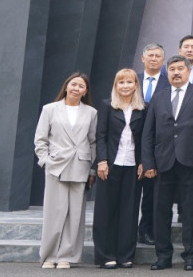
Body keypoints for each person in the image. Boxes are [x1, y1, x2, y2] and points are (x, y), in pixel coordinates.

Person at [141, 56, 193, 271]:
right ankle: (163, 256)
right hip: (162, 162)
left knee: (190, 212)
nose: (176, 72)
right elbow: (148, 133)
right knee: (161, 211)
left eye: (180, 68)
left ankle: (190, 256)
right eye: (172, 69)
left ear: (188, 71)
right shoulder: (159, 97)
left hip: (190, 162)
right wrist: (148, 163)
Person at [35, 71, 98, 269]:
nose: (76, 88)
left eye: (81, 86)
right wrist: (45, 162)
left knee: (75, 215)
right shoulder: (50, 109)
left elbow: (93, 142)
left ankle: (67, 256)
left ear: (85, 91)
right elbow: (40, 139)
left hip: (81, 166)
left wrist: (92, 170)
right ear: (66, 86)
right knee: (54, 213)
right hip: (56, 167)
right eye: (73, 84)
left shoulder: (91, 112)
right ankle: (49, 255)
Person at [94, 68, 147, 270]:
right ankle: (105, 255)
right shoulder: (107, 106)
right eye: (121, 82)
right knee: (106, 211)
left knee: (129, 211)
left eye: (129, 82)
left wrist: (143, 162)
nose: (125, 86)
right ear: (116, 85)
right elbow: (101, 136)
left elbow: (145, 138)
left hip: (133, 166)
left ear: (136, 85)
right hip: (110, 165)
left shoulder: (143, 108)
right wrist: (102, 161)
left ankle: (125, 255)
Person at [138, 43, 169, 247]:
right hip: (130, 143)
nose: (154, 59)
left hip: (157, 145)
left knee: (151, 193)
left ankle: (146, 229)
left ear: (163, 60)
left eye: (158, 56)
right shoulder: (132, 80)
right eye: (150, 55)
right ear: (143, 58)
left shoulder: (168, 83)